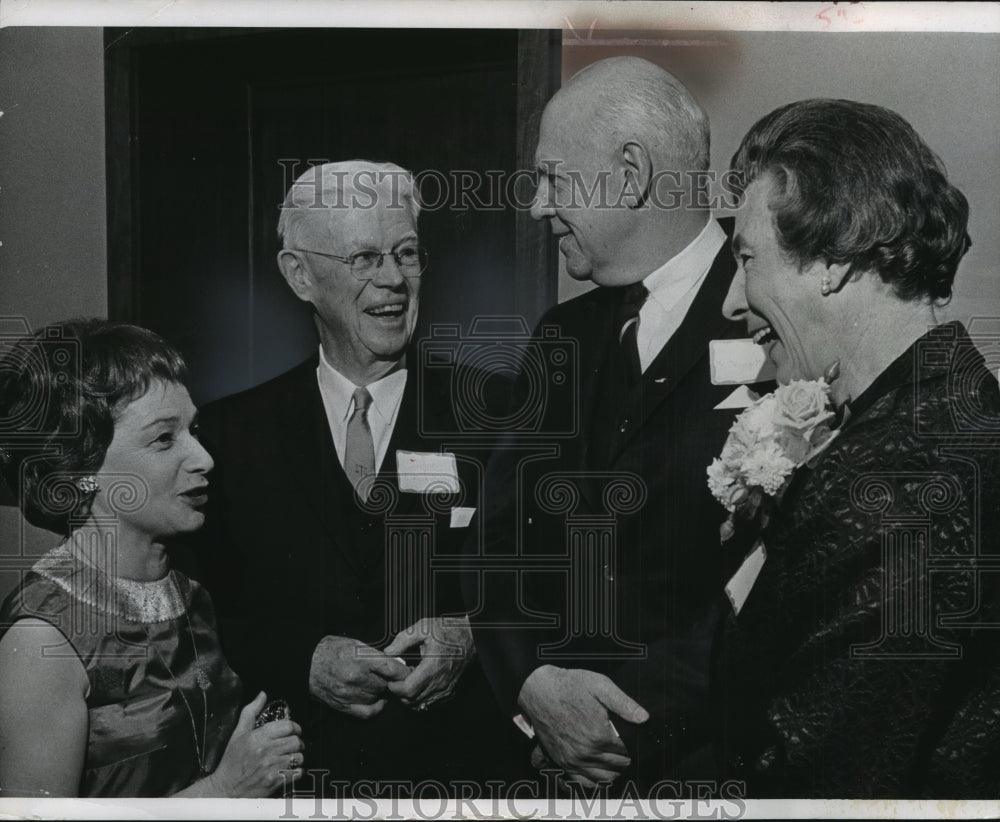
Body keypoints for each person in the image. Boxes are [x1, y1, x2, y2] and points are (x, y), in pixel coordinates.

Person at [467, 56, 764, 792]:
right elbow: (497, 539)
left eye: (553, 179)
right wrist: (530, 688)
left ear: (629, 173)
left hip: (707, 770)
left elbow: (774, 577)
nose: (537, 206)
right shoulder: (561, 335)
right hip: (546, 766)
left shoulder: (771, 309)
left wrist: (610, 733)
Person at [194, 160, 524, 789]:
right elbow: (202, 615)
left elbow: (560, 579)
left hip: (465, 778)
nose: (394, 279)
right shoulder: (227, 435)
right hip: (300, 781)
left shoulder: (504, 412)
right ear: (300, 275)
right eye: (365, 258)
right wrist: (303, 659)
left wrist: (475, 634)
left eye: (407, 253)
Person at [715, 98, 1000, 797]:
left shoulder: (904, 480)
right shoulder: (945, 415)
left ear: (833, 260)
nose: (731, 300)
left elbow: (813, 785)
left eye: (747, 258)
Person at [0, 319, 304, 797]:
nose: (203, 457)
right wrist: (224, 791)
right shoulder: (42, 639)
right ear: (80, 469)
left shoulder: (191, 592)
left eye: (194, 429)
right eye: (164, 438)